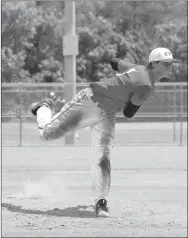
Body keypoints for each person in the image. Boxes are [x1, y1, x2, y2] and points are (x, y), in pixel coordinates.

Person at [30, 47, 180, 218]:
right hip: (88, 103)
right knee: (46, 134)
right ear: (154, 64)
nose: (170, 67)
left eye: (171, 63)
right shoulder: (145, 84)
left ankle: (101, 202)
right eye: (166, 64)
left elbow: (114, 62)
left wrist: (121, 79)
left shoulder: (138, 68)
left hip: (106, 115)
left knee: (102, 157)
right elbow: (129, 113)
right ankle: (42, 108)